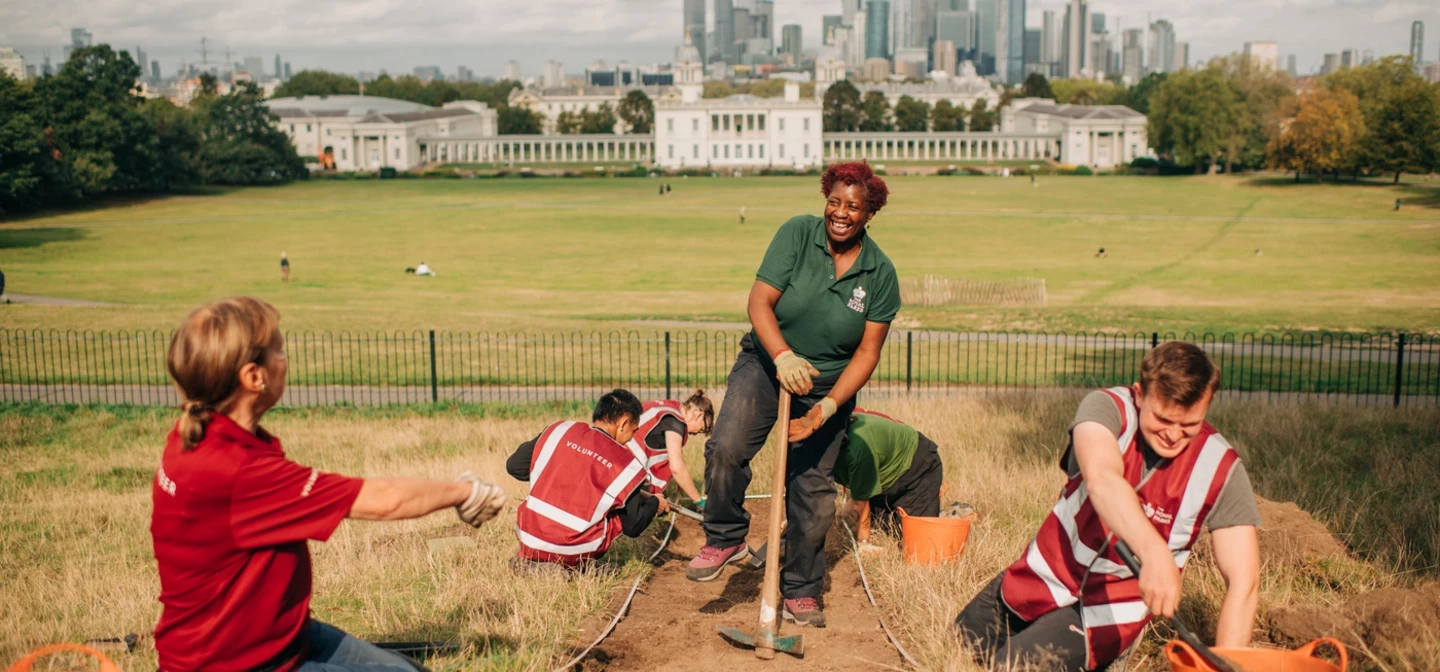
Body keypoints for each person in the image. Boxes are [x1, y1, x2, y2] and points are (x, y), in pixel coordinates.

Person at [151, 297, 508, 672]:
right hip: (237, 663)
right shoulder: (238, 470)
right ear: (254, 377)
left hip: (278, 637)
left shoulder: (193, 436)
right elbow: (384, 500)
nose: (286, 359)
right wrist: (465, 492)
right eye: (280, 350)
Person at [954, 342, 1261, 671]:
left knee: (1012, 667)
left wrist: (1227, 664)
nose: (1173, 435)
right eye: (1162, 418)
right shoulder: (1106, 409)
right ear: (1140, 394)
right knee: (954, 648)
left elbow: (1244, 581)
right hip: (1043, 575)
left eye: (1189, 425)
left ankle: (1111, 655)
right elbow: (1103, 479)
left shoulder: (1221, 468)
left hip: (1106, 613)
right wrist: (1155, 553)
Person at [687, 162, 901, 629]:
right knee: (725, 447)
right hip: (767, 365)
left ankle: (802, 588)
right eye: (834, 202)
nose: (840, 213)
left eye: (853, 207)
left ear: (870, 214)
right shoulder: (797, 234)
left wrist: (826, 408)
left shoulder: (880, 273)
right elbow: (759, 302)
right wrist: (783, 356)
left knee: (813, 492)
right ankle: (725, 537)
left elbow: (866, 353)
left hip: (827, 387)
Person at [507, 389, 667, 569]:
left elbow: (514, 467)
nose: (630, 439)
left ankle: (539, 563)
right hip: (571, 551)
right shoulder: (627, 465)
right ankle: (577, 565)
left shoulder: (560, 430)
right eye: (633, 430)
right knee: (615, 511)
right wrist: (654, 503)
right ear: (623, 423)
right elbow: (633, 527)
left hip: (528, 536)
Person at [836, 408, 944, 546]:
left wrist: (864, 543)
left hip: (916, 467)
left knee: (918, 542)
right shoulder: (814, 447)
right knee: (883, 532)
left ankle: (935, 503)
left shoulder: (858, 449)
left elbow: (861, 502)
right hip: (882, 478)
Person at [626, 390, 715, 506]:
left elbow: (652, 443)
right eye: (702, 429)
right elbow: (677, 467)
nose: (697, 433)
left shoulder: (669, 407)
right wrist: (699, 501)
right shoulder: (675, 421)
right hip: (621, 467)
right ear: (699, 415)